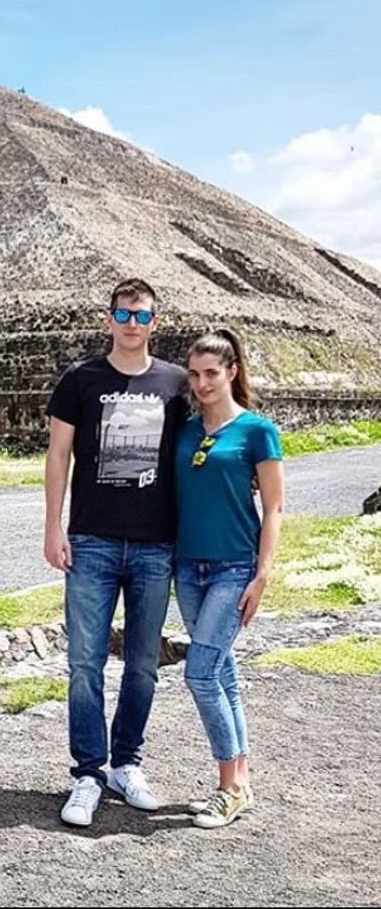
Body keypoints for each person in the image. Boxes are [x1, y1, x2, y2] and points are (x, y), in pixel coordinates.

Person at [43, 277, 189, 827]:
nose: (132, 324)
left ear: (156, 321)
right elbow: (59, 456)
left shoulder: (176, 382)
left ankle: (127, 764)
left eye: (143, 316)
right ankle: (87, 771)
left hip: (155, 543)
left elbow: (201, 447)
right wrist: (53, 528)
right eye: (124, 314)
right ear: (108, 319)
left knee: (144, 665)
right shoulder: (80, 380)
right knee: (84, 662)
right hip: (92, 540)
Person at [174, 329, 284, 829]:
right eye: (194, 375)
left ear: (232, 372)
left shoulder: (258, 431)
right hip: (187, 568)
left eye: (211, 374)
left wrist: (262, 575)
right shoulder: (186, 431)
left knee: (199, 673)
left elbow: (275, 506)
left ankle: (229, 787)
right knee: (222, 672)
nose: (201, 384)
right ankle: (241, 778)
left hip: (234, 567)